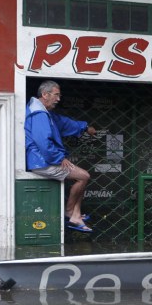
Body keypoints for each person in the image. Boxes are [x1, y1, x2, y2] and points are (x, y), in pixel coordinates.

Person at [25, 80, 97, 233]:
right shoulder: (39, 114)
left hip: (42, 160)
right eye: (56, 95)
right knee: (83, 176)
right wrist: (59, 158)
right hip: (42, 162)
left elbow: (63, 122)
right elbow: (43, 142)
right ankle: (70, 212)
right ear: (45, 94)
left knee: (82, 177)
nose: (58, 99)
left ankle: (75, 215)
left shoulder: (44, 112)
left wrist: (84, 127)